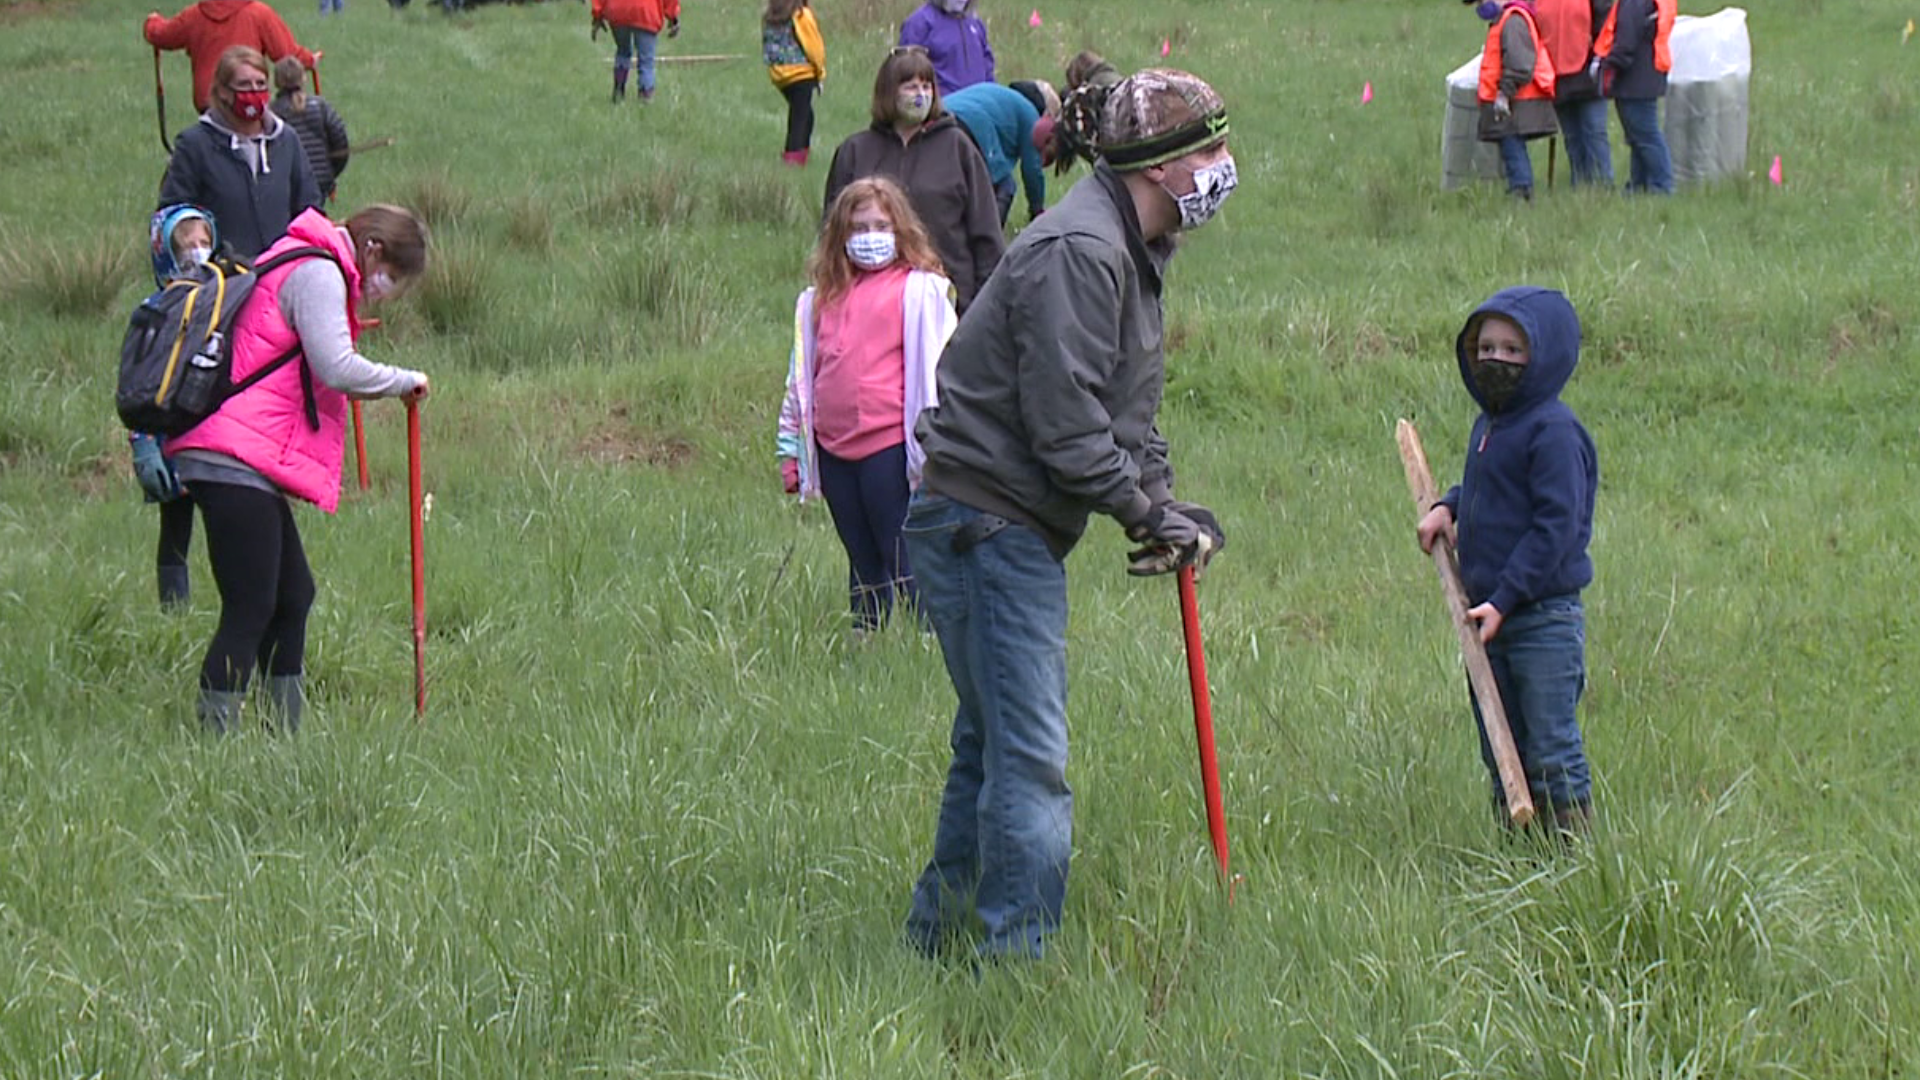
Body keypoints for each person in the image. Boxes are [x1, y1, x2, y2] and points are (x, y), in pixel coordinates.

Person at [900, 67, 1235, 961]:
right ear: (1159, 166)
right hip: (984, 524)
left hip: (1002, 522)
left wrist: (1160, 503)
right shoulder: (1082, 252)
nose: (1222, 164)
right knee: (1030, 759)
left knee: (992, 744)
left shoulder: (1133, 250)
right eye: (1209, 147)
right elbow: (1067, 426)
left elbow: (1126, 410)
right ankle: (1015, 960)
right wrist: (1139, 513)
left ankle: (937, 940)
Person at [165, 204, 431, 735]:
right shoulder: (318, 272)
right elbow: (336, 365)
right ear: (373, 248)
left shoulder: (306, 256)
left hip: (242, 455)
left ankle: (281, 735)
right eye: (392, 278)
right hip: (231, 456)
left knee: (292, 596)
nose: (385, 290)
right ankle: (213, 740)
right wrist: (406, 380)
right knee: (251, 604)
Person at [1416, 286, 1598, 839]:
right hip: (1489, 619)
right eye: (1486, 348)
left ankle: (1571, 856)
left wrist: (1506, 596)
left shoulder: (1555, 433)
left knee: (1548, 745)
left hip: (1540, 617)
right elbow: (1488, 493)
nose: (1496, 360)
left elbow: (1555, 529)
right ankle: (1518, 852)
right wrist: (1449, 505)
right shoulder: (1490, 428)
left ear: (1544, 358)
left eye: (1513, 351)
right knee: (1502, 745)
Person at [776, 177, 958, 633]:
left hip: (887, 448)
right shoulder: (821, 299)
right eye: (858, 228)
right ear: (840, 235)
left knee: (900, 552)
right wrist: (792, 451)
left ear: (900, 230)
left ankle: (928, 640)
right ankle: (867, 638)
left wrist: (939, 450)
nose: (870, 237)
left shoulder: (919, 292)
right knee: (860, 554)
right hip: (834, 449)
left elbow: (939, 371)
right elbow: (800, 378)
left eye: (880, 225)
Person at [823, 47, 1003, 313]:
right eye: (910, 86)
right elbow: (832, 231)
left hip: (949, 303)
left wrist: (983, 306)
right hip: (870, 306)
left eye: (926, 85)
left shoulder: (958, 147)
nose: (920, 94)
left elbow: (986, 233)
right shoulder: (855, 151)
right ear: (889, 92)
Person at [131, 205, 245, 610]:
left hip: (215, 429)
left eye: (203, 243)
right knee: (175, 524)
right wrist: (142, 442)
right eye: (186, 245)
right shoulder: (154, 310)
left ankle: (238, 602)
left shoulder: (220, 299)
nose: (197, 252)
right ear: (165, 251)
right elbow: (138, 383)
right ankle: (173, 608)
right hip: (168, 432)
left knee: (226, 522)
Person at [159, 46, 322, 260]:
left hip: (282, 271)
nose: (254, 92)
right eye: (244, 85)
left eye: (260, 84)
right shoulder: (195, 145)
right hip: (223, 278)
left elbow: (310, 208)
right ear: (224, 91)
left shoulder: (286, 140)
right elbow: (174, 217)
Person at [144, 0, 316, 114]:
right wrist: (310, 59)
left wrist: (152, 23)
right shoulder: (259, 13)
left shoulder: (195, 15)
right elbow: (286, 54)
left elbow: (162, 35)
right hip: (250, 99)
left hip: (210, 102)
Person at [1474, 0, 1559, 200]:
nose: (1481, 5)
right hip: (1518, 99)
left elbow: (1521, 64)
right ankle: (1519, 190)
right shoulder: (1509, 19)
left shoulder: (1513, 20)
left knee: (1512, 146)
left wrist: (1504, 94)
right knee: (1511, 146)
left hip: (1518, 101)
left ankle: (1522, 192)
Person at [942, 80, 1057, 225]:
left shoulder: (1001, 98)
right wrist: (1037, 210)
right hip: (972, 122)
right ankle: (990, 241)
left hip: (941, 114)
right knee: (1004, 185)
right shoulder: (1030, 115)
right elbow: (1032, 169)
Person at [1527, 0, 1613, 188]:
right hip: (1555, 73)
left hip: (1588, 70)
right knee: (1573, 136)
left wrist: (1598, 55)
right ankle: (1581, 185)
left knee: (1594, 133)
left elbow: (1607, 21)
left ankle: (1602, 186)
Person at [1594, 0, 1675, 194]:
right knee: (1638, 136)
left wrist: (1609, 64)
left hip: (1635, 78)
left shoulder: (1633, 2)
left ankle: (1661, 186)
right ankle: (1640, 186)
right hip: (1646, 75)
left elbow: (1626, 42)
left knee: (1646, 136)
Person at [270, 57, 350, 202]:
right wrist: (330, 173)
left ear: (277, 82)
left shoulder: (273, 113)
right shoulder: (320, 106)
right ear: (303, 78)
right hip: (320, 181)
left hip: (288, 184)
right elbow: (341, 143)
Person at [763, 0, 827, 167]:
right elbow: (814, 49)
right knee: (799, 117)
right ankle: (793, 158)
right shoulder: (801, 15)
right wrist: (820, 73)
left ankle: (802, 153)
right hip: (801, 74)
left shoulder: (771, 16)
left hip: (780, 77)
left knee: (806, 114)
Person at [591, 0, 681, 103]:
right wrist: (673, 17)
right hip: (646, 11)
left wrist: (597, 15)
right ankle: (645, 95)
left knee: (622, 52)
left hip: (618, 10)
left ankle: (618, 92)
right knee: (646, 60)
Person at [898, 0, 994, 96]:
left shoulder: (975, 24)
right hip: (943, 105)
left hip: (978, 104)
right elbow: (907, 72)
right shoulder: (919, 23)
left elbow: (988, 67)